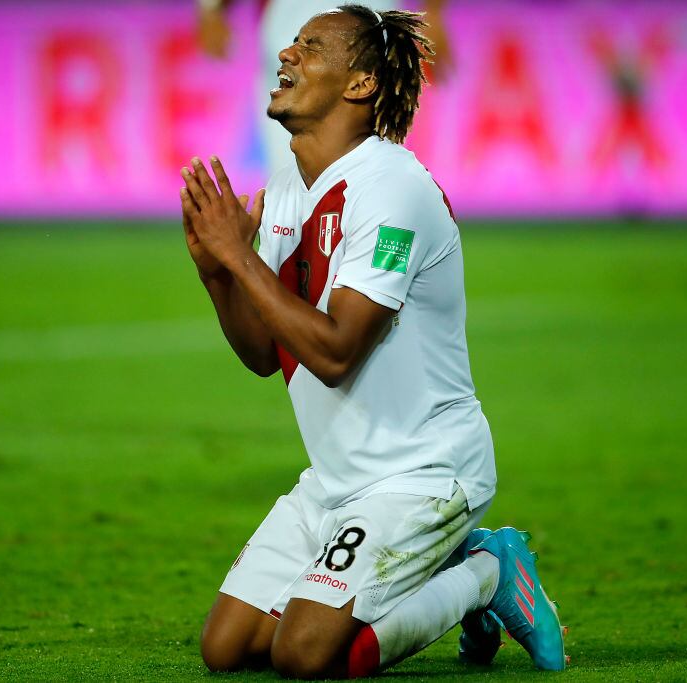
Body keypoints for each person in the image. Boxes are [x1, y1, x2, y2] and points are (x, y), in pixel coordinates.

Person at [180, 5, 566, 678]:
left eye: (310, 48)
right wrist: (217, 273)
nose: (286, 56)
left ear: (359, 85)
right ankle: (430, 569)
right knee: (226, 648)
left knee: (304, 654)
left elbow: (333, 352)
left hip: (423, 475)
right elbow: (265, 354)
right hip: (335, 482)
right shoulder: (290, 189)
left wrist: (241, 263)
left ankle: (485, 569)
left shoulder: (393, 189)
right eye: (290, 43)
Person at [198, 0, 449, 176]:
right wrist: (212, 9)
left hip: (370, 41)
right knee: (294, 174)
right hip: (290, 37)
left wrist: (434, 14)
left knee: (372, 169)